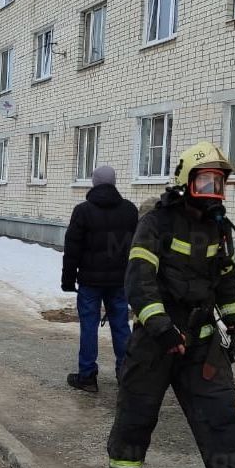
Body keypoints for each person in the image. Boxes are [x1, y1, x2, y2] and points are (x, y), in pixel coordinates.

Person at [106, 142, 235, 468]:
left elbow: (226, 282)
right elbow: (139, 282)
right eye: (205, 182)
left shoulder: (218, 230)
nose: (212, 191)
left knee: (220, 413)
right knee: (138, 405)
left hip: (201, 340)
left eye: (218, 183)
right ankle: (123, 467)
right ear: (186, 181)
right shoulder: (155, 223)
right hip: (156, 340)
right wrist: (162, 327)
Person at [62, 165, 139, 393]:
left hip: (90, 282)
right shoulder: (130, 210)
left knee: (89, 326)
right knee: (121, 326)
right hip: (119, 281)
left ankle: (87, 376)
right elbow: (137, 246)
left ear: (94, 183)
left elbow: (72, 248)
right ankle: (125, 373)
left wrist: (68, 279)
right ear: (114, 182)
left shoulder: (83, 211)